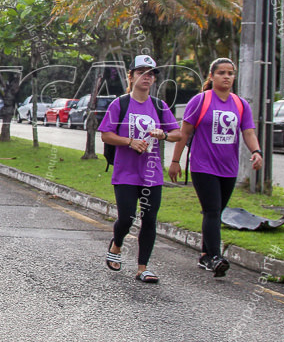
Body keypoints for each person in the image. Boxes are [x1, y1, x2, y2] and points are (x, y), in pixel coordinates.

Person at [169, 57, 264, 277]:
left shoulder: (240, 104)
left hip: (228, 167)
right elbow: (184, 134)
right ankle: (215, 257)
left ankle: (204, 255)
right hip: (203, 166)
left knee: (216, 211)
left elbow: (248, 132)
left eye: (230, 73)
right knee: (212, 210)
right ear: (212, 76)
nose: (227, 77)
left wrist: (256, 152)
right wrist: (175, 162)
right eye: (221, 73)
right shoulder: (200, 101)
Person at [98, 55, 182, 283]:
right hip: (126, 172)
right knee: (126, 218)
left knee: (149, 219)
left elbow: (177, 133)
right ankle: (116, 244)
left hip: (151, 175)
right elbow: (106, 134)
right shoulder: (120, 104)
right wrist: (129, 141)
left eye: (151, 73)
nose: (147, 77)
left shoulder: (159, 106)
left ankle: (142, 267)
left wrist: (163, 134)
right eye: (142, 72)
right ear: (132, 76)